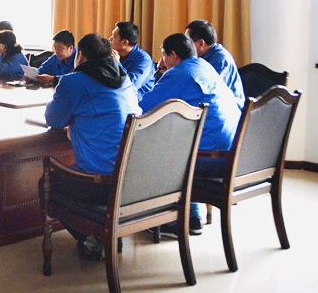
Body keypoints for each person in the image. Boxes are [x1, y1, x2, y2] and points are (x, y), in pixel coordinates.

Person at [41, 33, 141, 257]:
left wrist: (74, 125)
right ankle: (104, 234)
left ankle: (94, 237)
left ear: (81, 56)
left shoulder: (73, 81)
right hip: (134, 177)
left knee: (48, 184)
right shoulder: (124, 79)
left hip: (102, 183)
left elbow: (54, 119)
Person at [139, 33, 242, 236]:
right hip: (232, 152)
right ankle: (191, 216)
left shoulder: (179, 74)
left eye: (164, 56)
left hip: (208, 158)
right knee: (178, 140)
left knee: (152, 146)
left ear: (174, 55)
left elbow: (143, 109)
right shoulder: (205, 67)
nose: (162, 61)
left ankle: (175, 218)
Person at [185, 20, 245, 105]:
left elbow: (211, 90)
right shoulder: (199, 57)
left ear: (201, 43)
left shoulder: (221, 60)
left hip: (228, 107)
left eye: (189, 43)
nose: (186, 47)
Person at [109, 21, 156, 100]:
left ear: (125, 42)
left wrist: (117, 64)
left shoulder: (144, 60)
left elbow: (130, 86)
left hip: (140, 103)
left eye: (113, 37)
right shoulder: (115, 55)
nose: (109, 39)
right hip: (119, 98)